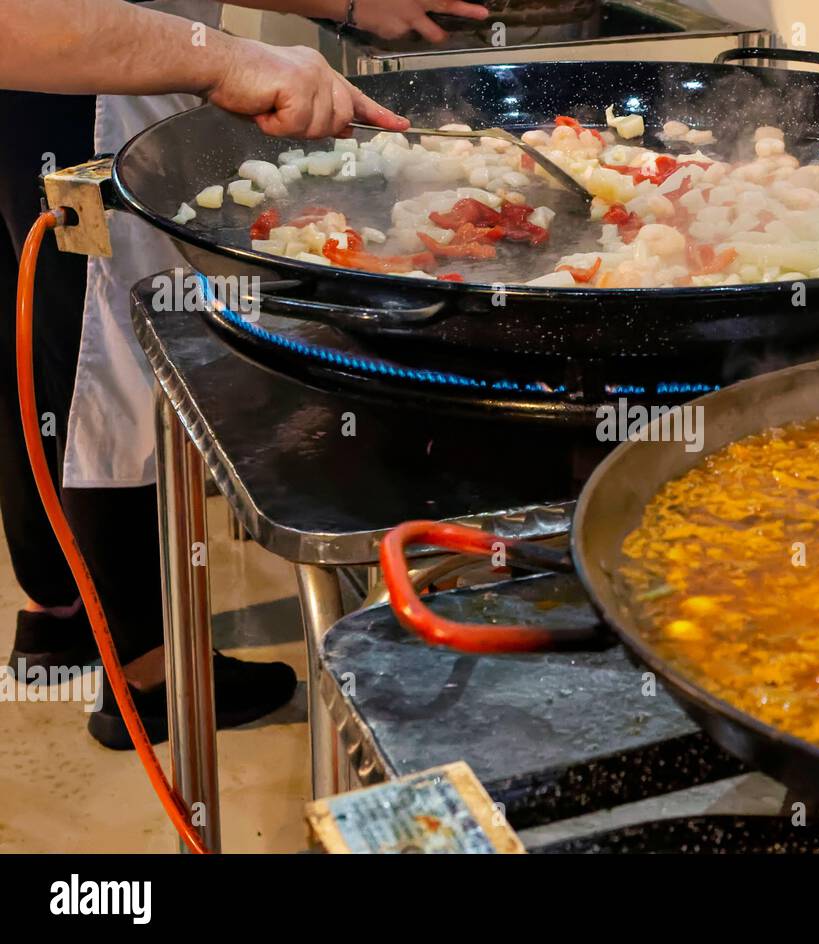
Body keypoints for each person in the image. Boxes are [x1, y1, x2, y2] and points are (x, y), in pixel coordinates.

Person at [0, 0, 488, 748]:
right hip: (83, 80)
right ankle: (150, 674)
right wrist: (226, 57)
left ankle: (57, 610)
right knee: (115, 367)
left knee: (41, 337)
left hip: (58, 79)